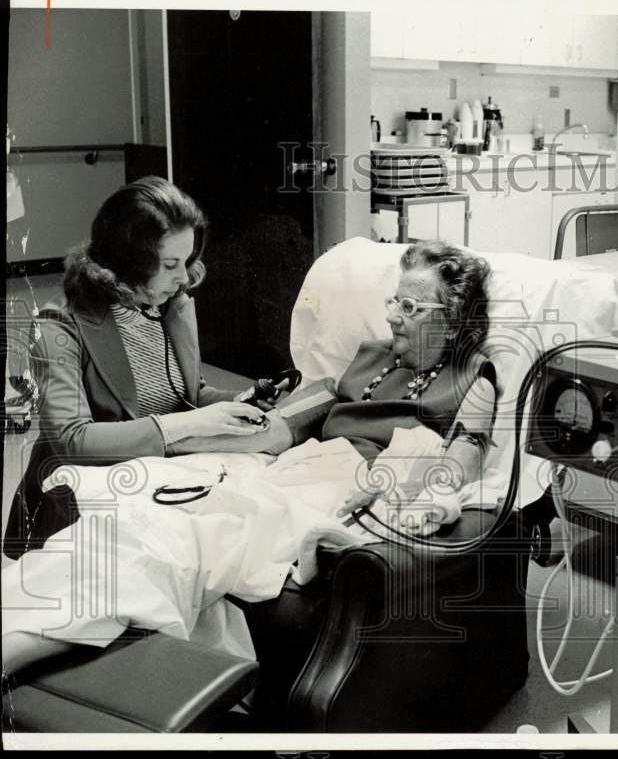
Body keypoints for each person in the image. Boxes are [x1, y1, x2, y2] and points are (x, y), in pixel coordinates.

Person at [1, 239, 498, 675]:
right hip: (297, 467)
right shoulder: (375, 351)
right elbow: (303, 411)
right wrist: (221, 429)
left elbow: (461, 462)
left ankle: (18, 647)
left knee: (183, 542)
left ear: (452, 324)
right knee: (139, 526)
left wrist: (399, 485)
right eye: (395, 300)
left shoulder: (474, 378)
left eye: (411, 307)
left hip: (345, 489)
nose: (392, 315)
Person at [2, 177, 276, 561]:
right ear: (129, 261)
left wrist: (242, 401)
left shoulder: (172, 306)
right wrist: (191, 425)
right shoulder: (59, 323)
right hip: (77, 512)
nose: (183, 278)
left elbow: (188, 396)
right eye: (170, 264)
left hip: (153, 487)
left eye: (187, 261)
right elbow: (71, 440)